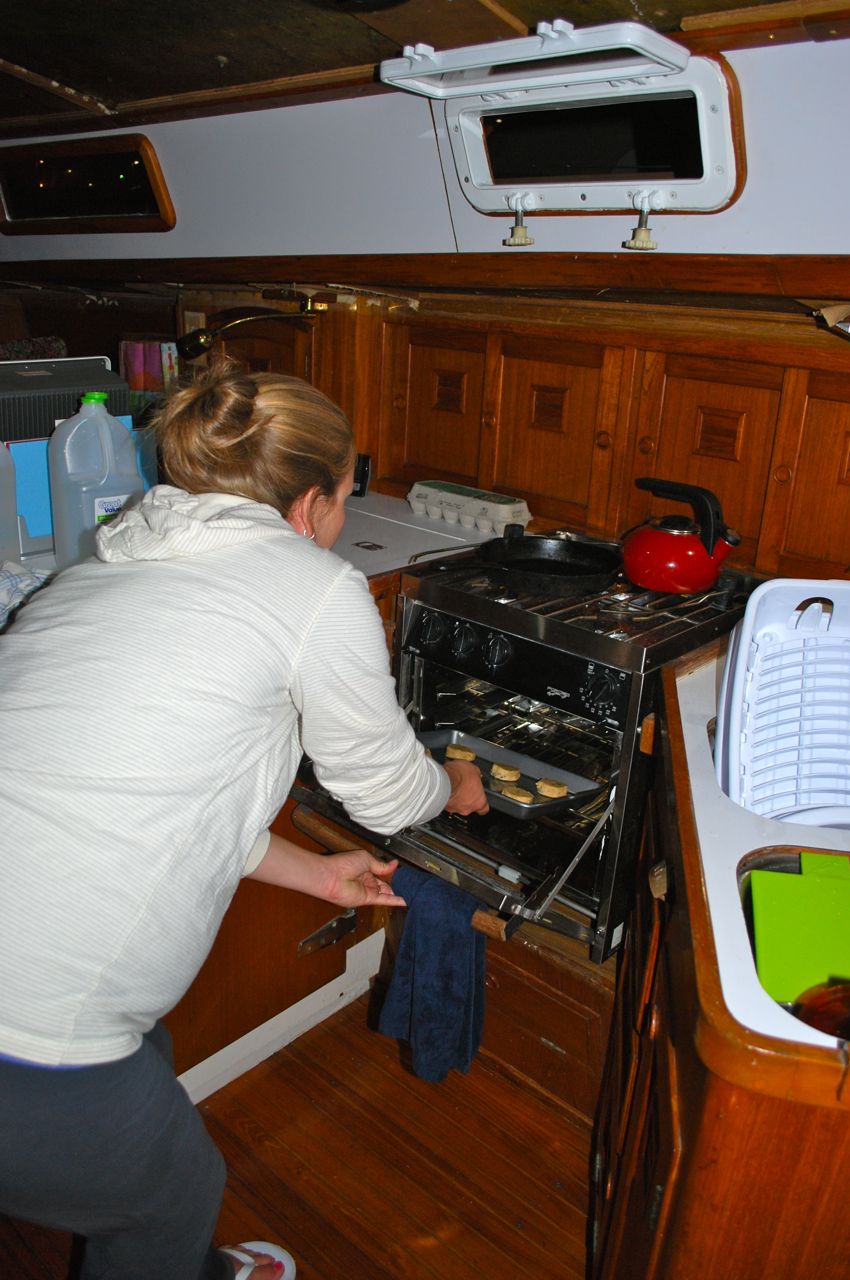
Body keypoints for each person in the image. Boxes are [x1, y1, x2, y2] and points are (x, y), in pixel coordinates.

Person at [0, 359, 488, 1280]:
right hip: (23, 1027)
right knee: (171, 1198)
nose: (340, 520)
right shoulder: (310, 586)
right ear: (310, 507)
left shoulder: (96, 569)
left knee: (146, 1050)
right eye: (347, 497)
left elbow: (165, 803)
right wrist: (452, 780)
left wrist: (314, 873)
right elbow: (385, 794)